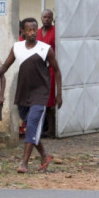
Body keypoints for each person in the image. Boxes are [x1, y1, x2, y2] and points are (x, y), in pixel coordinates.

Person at [0, 18, 63, 174]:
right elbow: (5, 66)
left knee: (31, 127)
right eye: (28, 30)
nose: (32, 32)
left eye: (34, 29)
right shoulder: (17, 47)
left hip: (40, 94)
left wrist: (59, 94)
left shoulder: (45, 49)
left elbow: (56, 71)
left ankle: (24, 163)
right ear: (22, 31)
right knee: (31, 128)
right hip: (23, 94)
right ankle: (44, 155)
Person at [37, 9, 57, 137]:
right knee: (40, 99)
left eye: (49, 17)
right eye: (44, 17)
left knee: (50, 100)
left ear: (52, 18)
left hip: (51, 69)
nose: (46, 19)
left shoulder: (56, 32)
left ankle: (51, 130)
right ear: (41, 18)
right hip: (39, 69)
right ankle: (41, 128)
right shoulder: (38, 32)